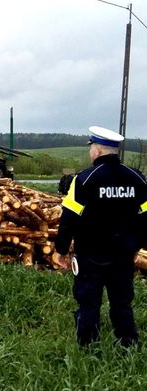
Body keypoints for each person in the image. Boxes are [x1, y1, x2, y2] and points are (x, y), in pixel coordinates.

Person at [55, 125, 147, 348]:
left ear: (97, 150)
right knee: (122, 302)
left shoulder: (84, 180)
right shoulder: (137, 178)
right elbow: (146, 215)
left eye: (91, 148)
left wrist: (61, 249)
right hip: (123, 253)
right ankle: (128, 344)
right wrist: (137, 244)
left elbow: (68, 218)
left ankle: (88, 346)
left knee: (88, 302)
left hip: (91, 254)